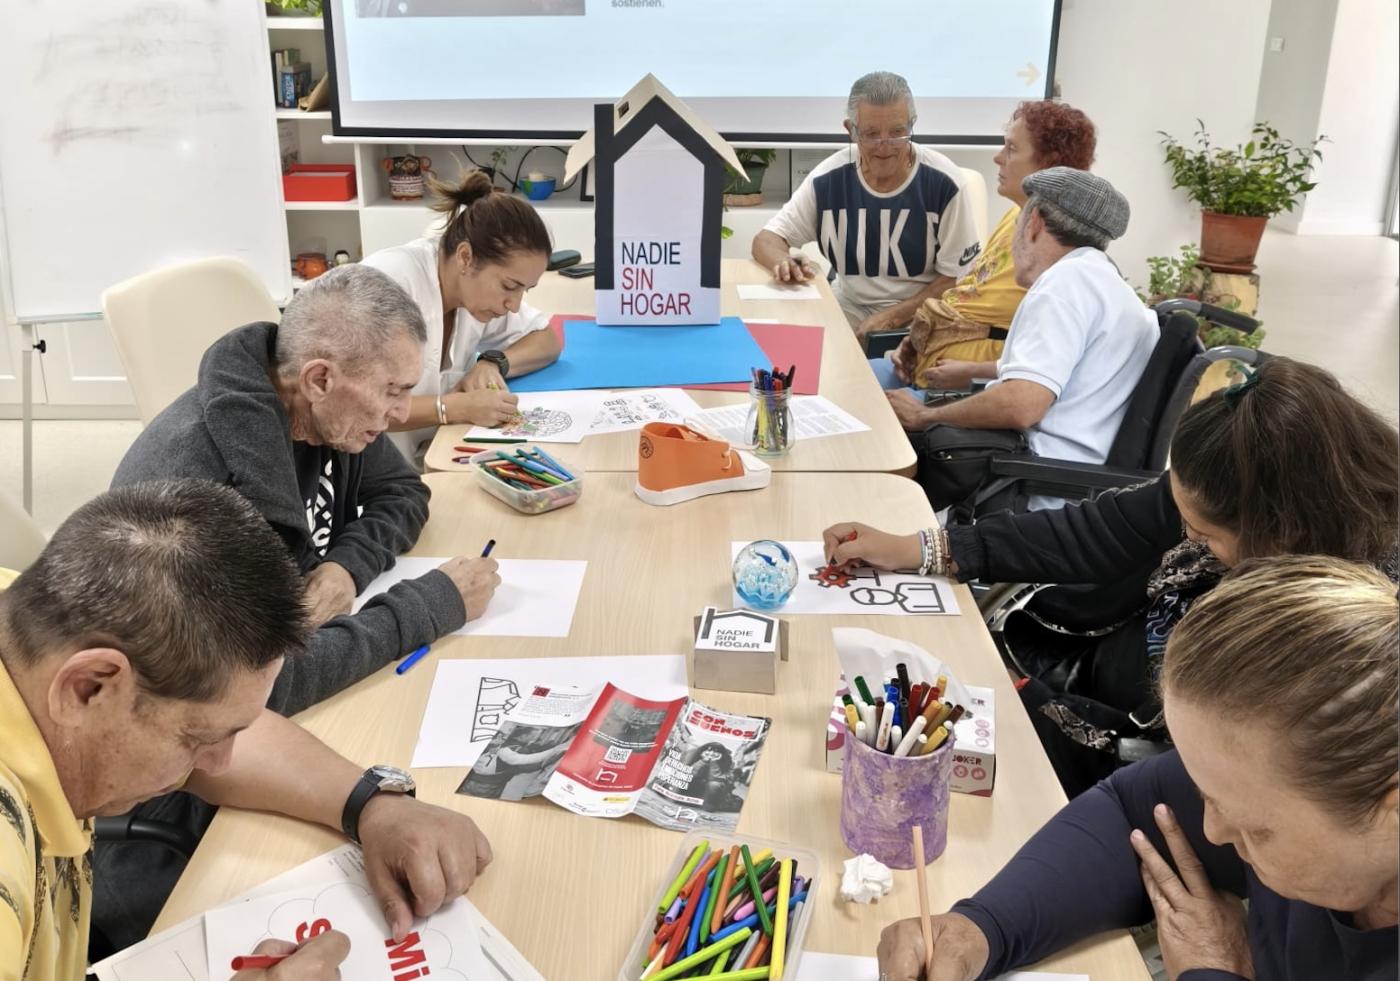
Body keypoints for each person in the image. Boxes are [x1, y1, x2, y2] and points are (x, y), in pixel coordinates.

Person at [103, 264, 500, 950]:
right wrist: (427, 605)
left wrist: (347, 564)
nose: (399, 414)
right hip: (170, 798)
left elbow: (404, 492)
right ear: (319, 378)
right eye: (392, 392)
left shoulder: (331, 418)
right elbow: (256, 690)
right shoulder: (194, 494)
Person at [823, 356, 1400, 795]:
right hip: (1085, 681)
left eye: (1203, 535)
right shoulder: (1238, 479)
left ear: (1281, 532)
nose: (1185, 536)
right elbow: (1094, 532)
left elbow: (1202, 776)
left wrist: (1028, 703)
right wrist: (921, 548)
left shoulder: (1351, 631)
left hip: (1150, 764)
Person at [0, 480, 493, 980]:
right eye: (196, 740)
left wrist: (373, 803)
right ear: (87, 688)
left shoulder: (26, 625)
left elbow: (213, 724)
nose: (221, 763)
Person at [876, 555, 1398, 981]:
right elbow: (1131, 810)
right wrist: (981, 929)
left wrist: (1209, 972)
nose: (1211, 831)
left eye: (1257, 829)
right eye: (1205, 792)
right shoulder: (1304, 794)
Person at [885, 167, 1156, 512]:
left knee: (886, 456)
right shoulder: (1103, 282)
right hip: (1069, 482)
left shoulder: (1063, 284)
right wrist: (973, 372)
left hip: (1032, 487)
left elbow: (1021, 405)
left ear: (1034, 223)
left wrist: (926, 416)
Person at [871, 101, 1097, 392]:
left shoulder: (1058, 247)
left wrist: (976, 373)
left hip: (962, 393)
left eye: (1011, 149)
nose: (998, 158)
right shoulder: (1017, 215)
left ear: (1048, 164)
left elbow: (1048, 363)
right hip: (921, 368)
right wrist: (916, 340)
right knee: (838, 379)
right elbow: (968, 295)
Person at [752, 71, 983, 339]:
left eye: (897, 133)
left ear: (912, 126)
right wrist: (784, 263)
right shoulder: (827, 179)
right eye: (872, 134)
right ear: (851, 130)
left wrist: (893, 316)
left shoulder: (946, 183)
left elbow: (959, 278)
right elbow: (766, 239)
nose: (885, 147)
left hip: (920, 315)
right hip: (849, 306)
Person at [362, 170, 561, 466]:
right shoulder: (389, 285)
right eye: (509, 286)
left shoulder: (474, 293)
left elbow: (547, 340)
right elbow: (359, 405)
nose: (515, 305)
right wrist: (455, 407)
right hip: (363, 473)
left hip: (431, 457)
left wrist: (492, 362)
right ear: (466, 257)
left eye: (525, 290)